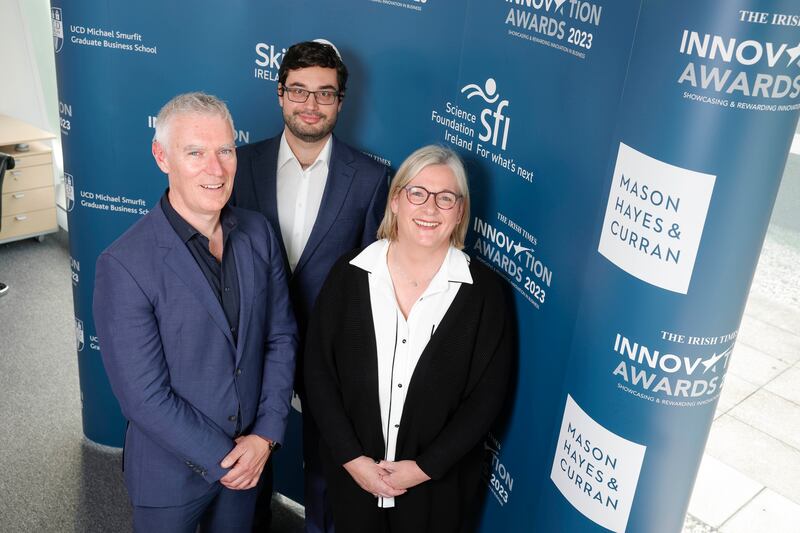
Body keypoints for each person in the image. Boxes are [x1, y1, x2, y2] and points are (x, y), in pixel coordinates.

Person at [93, 92, 297, 533]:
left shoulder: (258, 233)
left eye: (225, 150)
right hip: (170, 477)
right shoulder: (124, 264)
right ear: (161, 156)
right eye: (195, 153)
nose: (216, 168)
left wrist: (264, 437)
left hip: (250, 461)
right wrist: (229, 460)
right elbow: (144, 396)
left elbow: (280, 337)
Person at [304, 145, 513, 533]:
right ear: (396, 200)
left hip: (437, 493)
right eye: (417, 193)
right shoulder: (349, 274)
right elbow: (318, 373)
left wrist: (421, 470)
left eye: (445, 198)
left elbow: (486, 400)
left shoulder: (485, 294)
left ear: (461, 212)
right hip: (353, 484)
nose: (430, 209)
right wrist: (353, 460)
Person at [230, 40, 389, 533]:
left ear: (341, 101)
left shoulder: (370, 178)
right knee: (246, 456)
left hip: (330, 349)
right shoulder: (238, 165)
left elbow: (371, 277)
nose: (311, 104)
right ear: (280, 94)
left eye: (325, 93)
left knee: (326, 464)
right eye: (299, 91)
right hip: (251, 339)